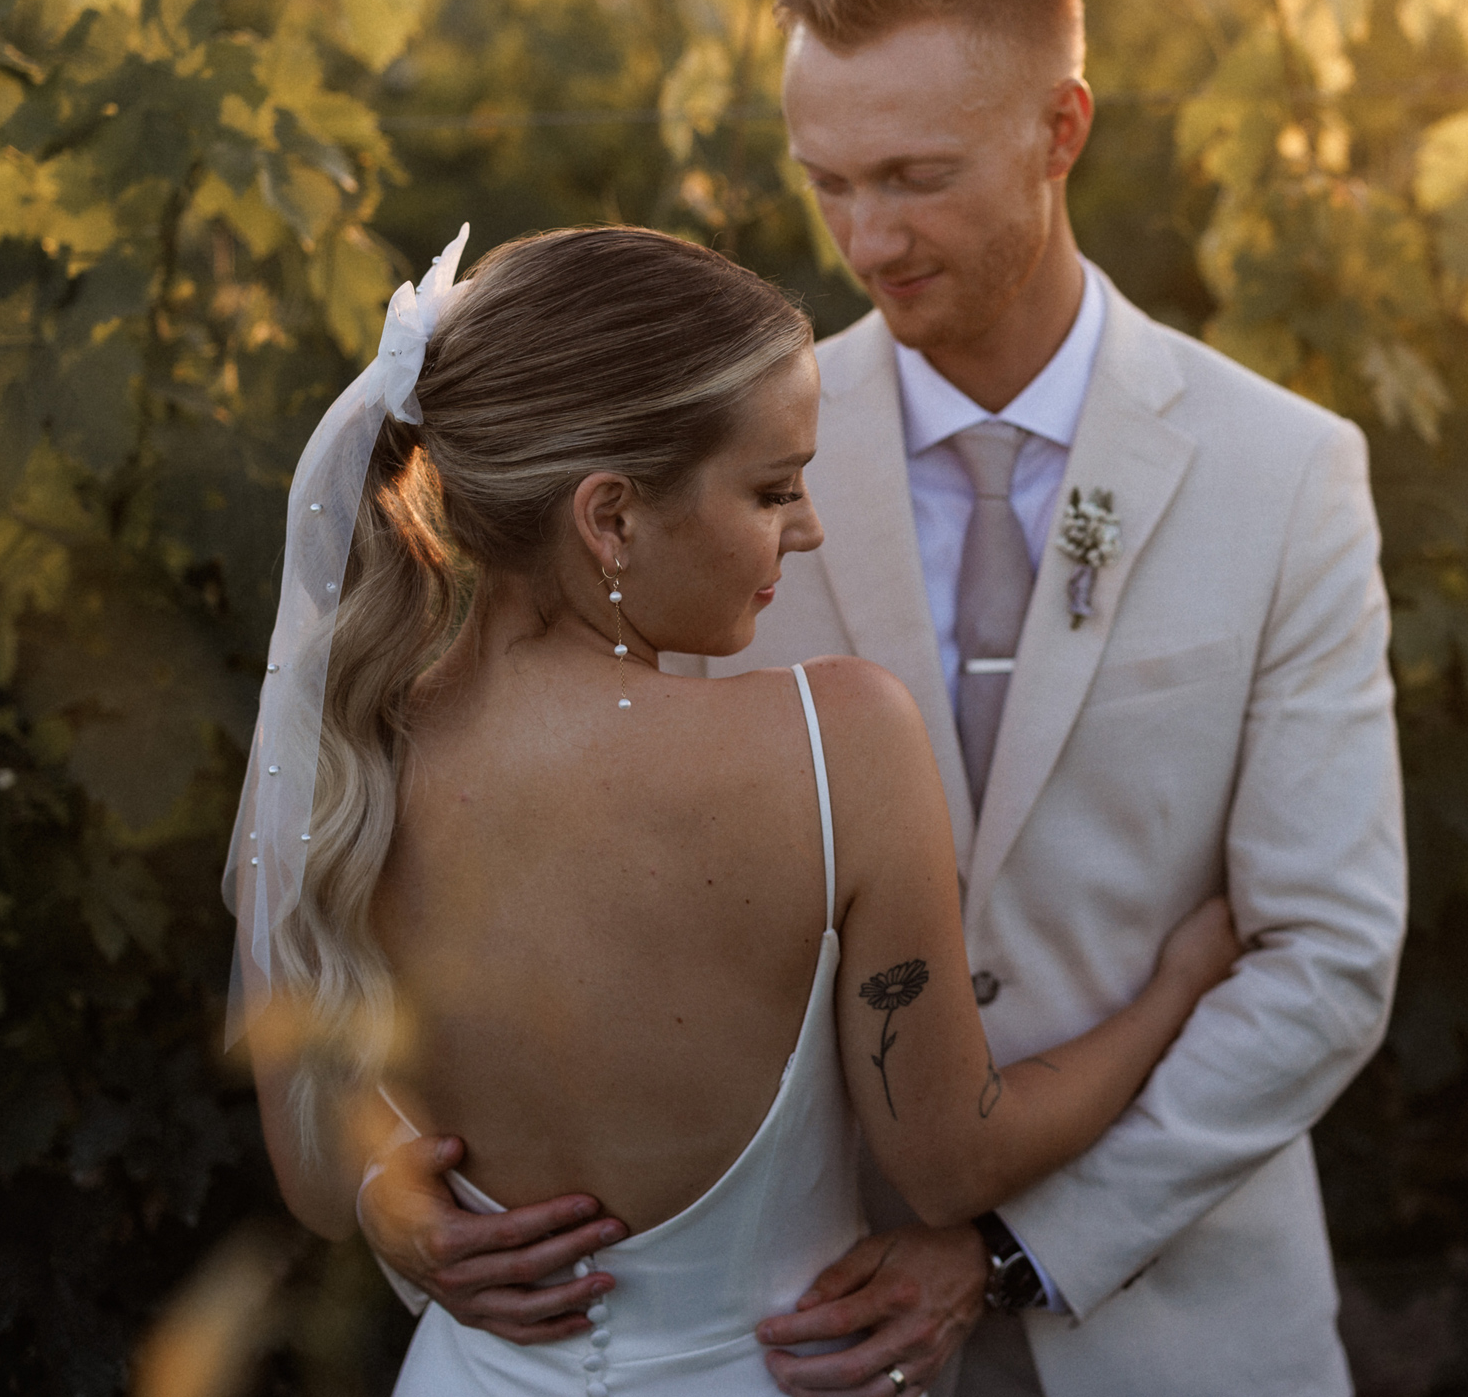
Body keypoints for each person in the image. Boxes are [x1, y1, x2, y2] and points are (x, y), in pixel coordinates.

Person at [359, 0, 1409, 1397]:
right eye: (826, 179)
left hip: (1174, 1328)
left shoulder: (1288, 473)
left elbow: (1328, 955)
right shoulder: (698, 474)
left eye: (915, 176)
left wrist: (1011, 1249)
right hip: (793, 1330)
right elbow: (509, 842)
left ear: (1062, 131)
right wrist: (402, 1175)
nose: (865, 237)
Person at [228, 223, 1244, 1396]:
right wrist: (1180, 980)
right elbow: (954, 1162)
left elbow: (313, 1177)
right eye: (772, 489)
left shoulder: (351, 747)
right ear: (609, 518)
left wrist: (389, 1195)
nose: (804, 528)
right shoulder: (837, 744)